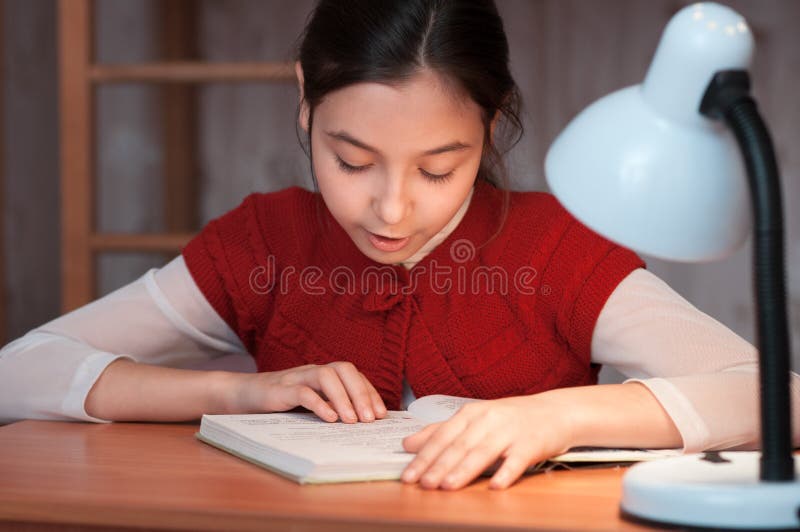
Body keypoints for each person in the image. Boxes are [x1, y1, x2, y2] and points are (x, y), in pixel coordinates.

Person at [1, 0, 798, 492]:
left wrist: (558, 417)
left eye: (439, 168)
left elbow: (778, 399)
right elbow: (19, 372)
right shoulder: (264, 244)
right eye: (351, 162)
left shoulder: (555, 247)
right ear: (305, 105)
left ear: (489, 128)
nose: (391, 208)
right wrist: (241, 391)